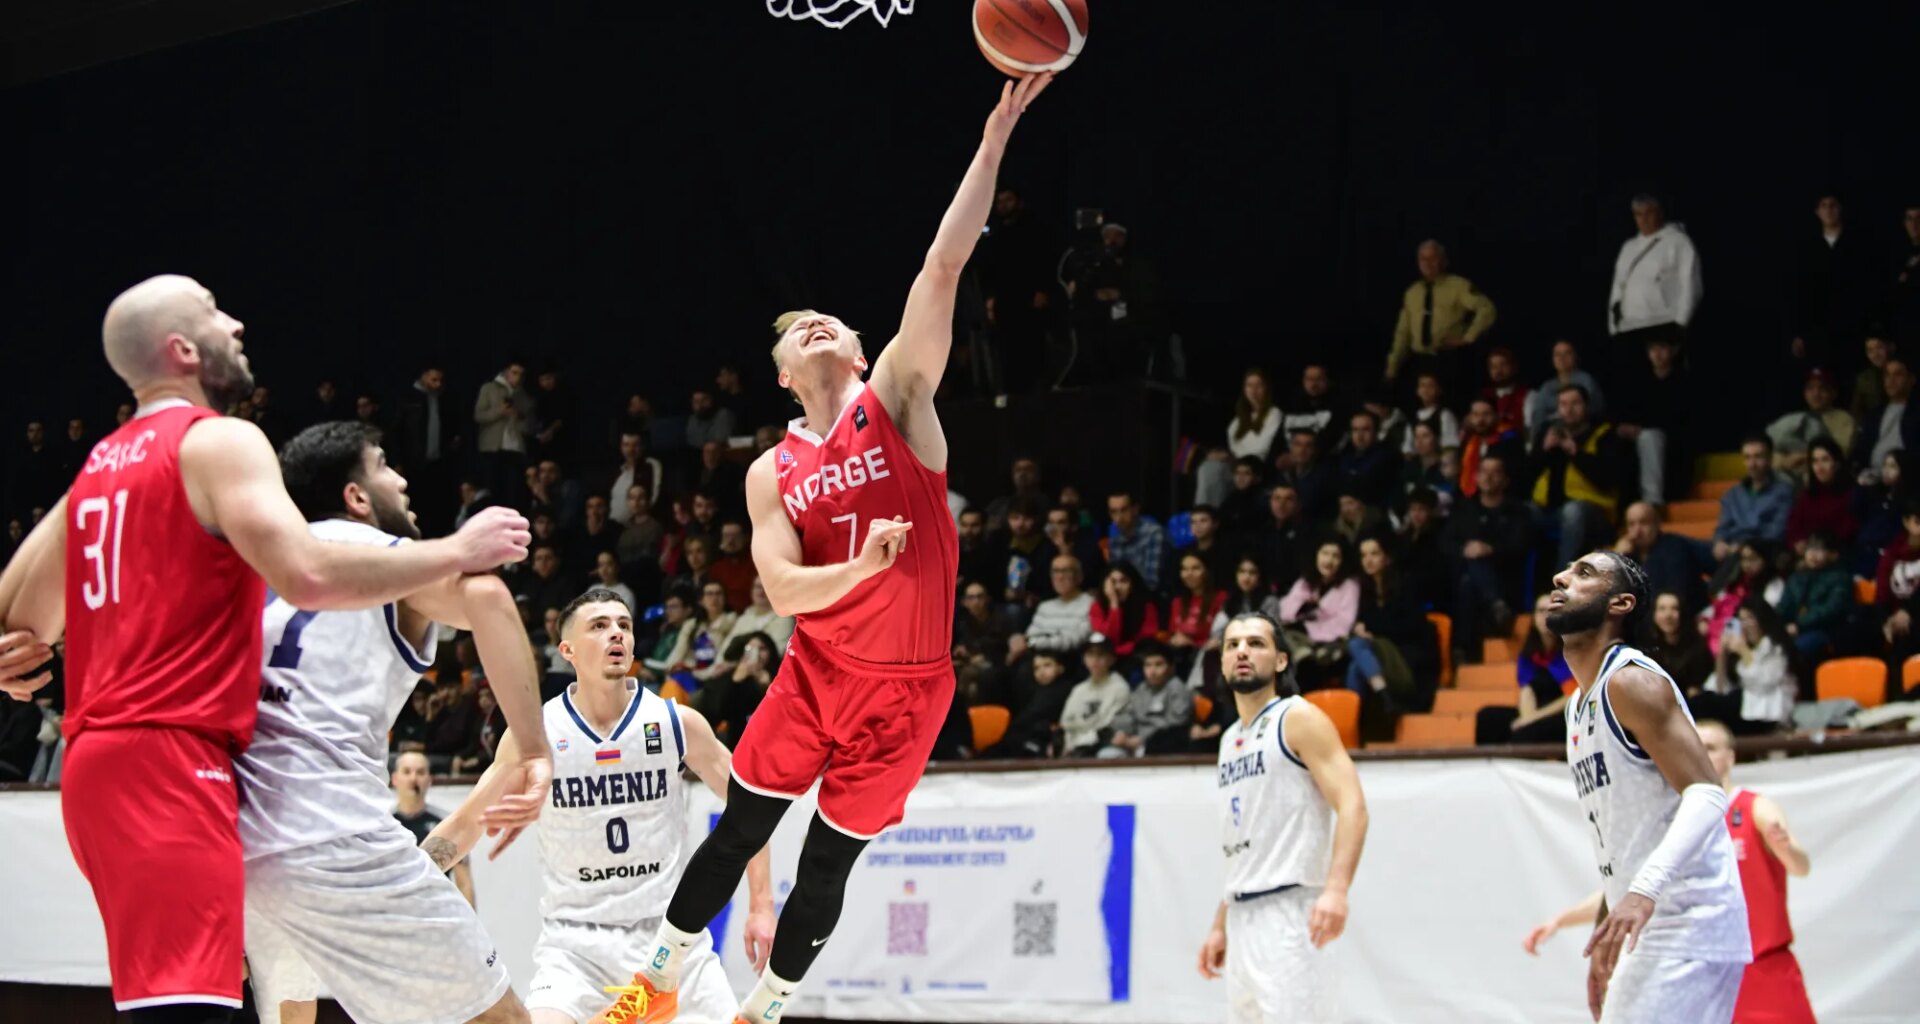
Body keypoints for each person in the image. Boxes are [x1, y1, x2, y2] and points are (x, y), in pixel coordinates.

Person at [622, 75, 1051, 1024]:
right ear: (783, 377)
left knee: (828, 864)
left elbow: (943, 265)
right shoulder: (769, 470)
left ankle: (766, 1007)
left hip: (910, 686)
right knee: (741, 828)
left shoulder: (897, 395)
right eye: (794, 334)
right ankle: (656, 978)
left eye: (832, 323)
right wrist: (860, 570)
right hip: (817, 669)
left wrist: (992, 141)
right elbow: (779, 590)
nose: (813, 324)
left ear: (860, 352)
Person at [0, 275, 531, 1022]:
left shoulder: (100, 469)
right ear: (183, 350)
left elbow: (17, 623)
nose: (236, 323)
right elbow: (309, 575)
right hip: (189, 767)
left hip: (106, 770)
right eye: (214, 312)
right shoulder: (219, 442)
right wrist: (457, 549)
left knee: (199, 1004)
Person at [239, 421, 554, 1024]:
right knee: (503, 1019)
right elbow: (488, 598)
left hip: (241, 838)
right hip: (333, 837)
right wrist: (535, 750)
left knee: (290, 1014)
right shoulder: (389, 560)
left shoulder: (256, 570)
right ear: (356, 497)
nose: (402, 481)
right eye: (384, 465)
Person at [424, 591, 778, 1024]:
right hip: (576, 948)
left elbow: (750, 811)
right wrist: (401, 882)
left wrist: (762, 905)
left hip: (671, 941)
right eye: (599, 625)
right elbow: (466, 822)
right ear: (567, 650)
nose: (616, 633)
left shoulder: (675, 722)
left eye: (624, 625)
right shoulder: (536, 734)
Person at [1546, 551, 1750, 1022]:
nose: (1560, 577)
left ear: (1620, 604)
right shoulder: (1578, 705)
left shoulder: (1632, 683)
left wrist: (1641, 893)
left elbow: (1707, 793)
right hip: (1650, 924)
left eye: (1584, 573)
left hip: (1688, 923)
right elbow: (1626, 839)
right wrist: (1606, 927)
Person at [1525, 720, 1815, 1024]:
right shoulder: (1673, 820)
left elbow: (1801, 866)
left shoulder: (1753, 808)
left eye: (1711, 748)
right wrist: (1560, 920)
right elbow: (1632, 894)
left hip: (1764, 965)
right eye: (1697, 746)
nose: (1702, 754)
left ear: (1731, 756)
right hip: (1699, 967)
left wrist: (1785, 848)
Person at [1196, 613, 1369, 1022]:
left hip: (1292, 912)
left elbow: (1353, 806)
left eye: (1256, 643)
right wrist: (1221, 921)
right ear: (1222, 662)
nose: (1242, 651)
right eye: (1233, 645)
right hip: (1243, 915)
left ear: (1280, 661)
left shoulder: (1297, 717)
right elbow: (1244, 840)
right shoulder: (1229, 739)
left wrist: (1337, 890)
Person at [388, 751, 473, 906]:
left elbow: (464, 883)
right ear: (394, 779)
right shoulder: (384, 826)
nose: (413, 778)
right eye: (407, 772)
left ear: (429, 780)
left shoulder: (445, 823)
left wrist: (471, 918)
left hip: (436, 911)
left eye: (420, 772)